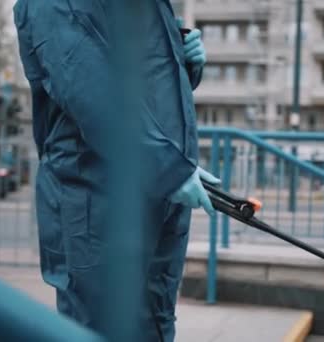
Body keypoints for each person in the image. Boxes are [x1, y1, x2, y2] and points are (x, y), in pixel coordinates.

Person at [14, 1, 218, 340]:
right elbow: (88, 87)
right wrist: (168, 167)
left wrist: (183, 64)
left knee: (153, 320)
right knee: (99, 325)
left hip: (156, 191)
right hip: (98, 195)